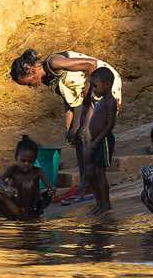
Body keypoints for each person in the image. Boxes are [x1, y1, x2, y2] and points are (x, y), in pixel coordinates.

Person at [10, 49, 122, 204]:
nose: (30, 86)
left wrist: (89, 93)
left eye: (28, 82)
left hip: (102, 82)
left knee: (86, 135)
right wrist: (69, 128)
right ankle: (86, 183)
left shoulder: (53, 63)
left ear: (32, 70)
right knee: (76, 138)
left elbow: (91, 65)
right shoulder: (49, 79)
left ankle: (88, 186)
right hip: (89, 94)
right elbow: (68, 100)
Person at [0, 135, 56, 220]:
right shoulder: (12, 169)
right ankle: (15, 216)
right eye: (23, 160)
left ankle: (28, 215)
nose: (26, 164)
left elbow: (50, 186)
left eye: (30, 161)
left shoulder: (38, 171)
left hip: (33, 207)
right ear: (16, 158)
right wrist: (7, 187)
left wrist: (52, 190)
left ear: (35, 160)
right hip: (15, 207)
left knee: (31, 185)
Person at [85, 67, 118, 215]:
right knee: (90, 172)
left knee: (100, 172)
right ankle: (99, 202)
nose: (93, 89)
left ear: (107, 85)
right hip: (96, 142)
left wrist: (97, 140)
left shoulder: (110, 101)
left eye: (95, 86)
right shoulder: (101, 101)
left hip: (103, 141)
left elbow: (110, 124)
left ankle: (106, 204)